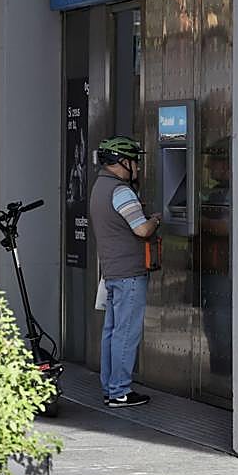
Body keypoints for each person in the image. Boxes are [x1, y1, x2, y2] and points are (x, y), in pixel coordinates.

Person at [89, 136, 161, 408]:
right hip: (129, 273)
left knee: (112, 331)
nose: (138, 168)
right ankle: (120, 391)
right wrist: (154, 220)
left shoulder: (100, 187)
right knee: (126, 333)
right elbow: (141, 230)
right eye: (135, 162)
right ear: (122, 162)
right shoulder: (121, 191)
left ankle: (110, 388)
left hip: (111, 271)